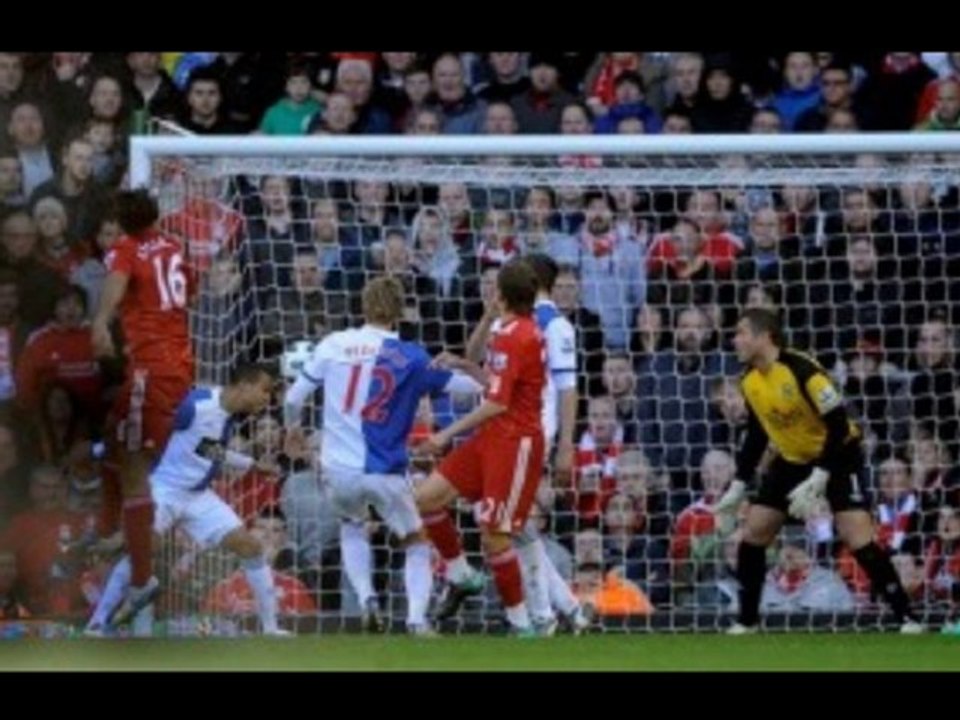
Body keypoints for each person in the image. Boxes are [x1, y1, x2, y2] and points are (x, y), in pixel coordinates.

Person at [282, 276, 484, 635]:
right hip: (386, 469)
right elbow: (465, 390)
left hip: (338, 469)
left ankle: (365, 599)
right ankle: (417, 620)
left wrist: (293, 430)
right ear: (400, 312)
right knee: (415, 540)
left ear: (362, 306)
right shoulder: (412, 356)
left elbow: (293, 398)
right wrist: (480, 375)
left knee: (352, 526)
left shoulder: (333, 343)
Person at [713, 309, 923, 634]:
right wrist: (738, 484)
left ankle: (906, 618)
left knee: (858, 538)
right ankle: (747, 620)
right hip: (793, 458)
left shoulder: (803, 370)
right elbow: (757, 435)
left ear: (764, 336)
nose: (734, 339)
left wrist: (821, 474)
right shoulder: (749, 380)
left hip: (838, 454)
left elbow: (839, 424)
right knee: (754, 533)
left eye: (741, 332)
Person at [85, 364, 290, 636]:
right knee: (142, 552)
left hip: (198, 496)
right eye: (264, 390)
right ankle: (97, 624)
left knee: (250, 547)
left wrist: (251, 464)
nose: (268, 399)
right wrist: (101, 450)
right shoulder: (195, 405)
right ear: (244, 385)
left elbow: (205, 448)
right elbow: (152, 428)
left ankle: (271, 629)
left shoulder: (227, 416)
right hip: (163, 489)